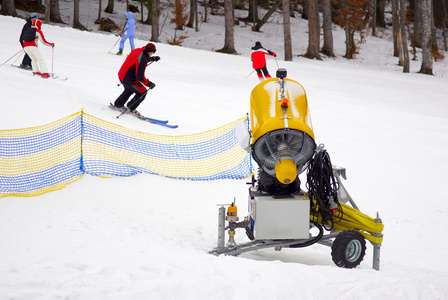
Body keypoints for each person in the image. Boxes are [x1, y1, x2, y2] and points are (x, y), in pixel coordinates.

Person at [111, 43, 160, 117]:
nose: (153, 54)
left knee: (129, 90)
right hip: (129, 79)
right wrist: (149, 84)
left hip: (122, 75)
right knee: (142, 92)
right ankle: (131, 108)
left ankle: (118, 104)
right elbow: (140, 77)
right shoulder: (143, 59)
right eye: (153, 52)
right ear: (150, 52)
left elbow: (138, 59)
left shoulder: (138, 50)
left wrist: (151, 59)